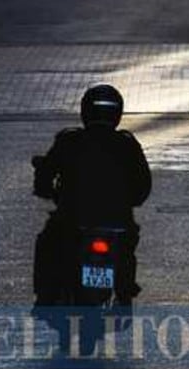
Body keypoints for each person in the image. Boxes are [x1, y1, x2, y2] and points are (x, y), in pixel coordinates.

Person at [31, 83, 152, 304]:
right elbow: (143, 185)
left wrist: (44, 188)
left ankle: (45, 296)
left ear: (85, 111)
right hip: (116, 222)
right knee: (126, 246)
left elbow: (46, 173)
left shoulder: (70, 140)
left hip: (73, 218)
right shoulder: (126, 144)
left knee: (48, 241)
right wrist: (131, 200)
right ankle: (125, 292)